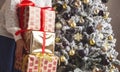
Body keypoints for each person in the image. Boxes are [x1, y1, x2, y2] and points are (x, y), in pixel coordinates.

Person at [0, 0, 52, 72]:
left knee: (23, 66)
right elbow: (10, 17)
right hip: (8, 35)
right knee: (7, 67)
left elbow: (47, 15)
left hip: (29, 37)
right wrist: (18, 39)